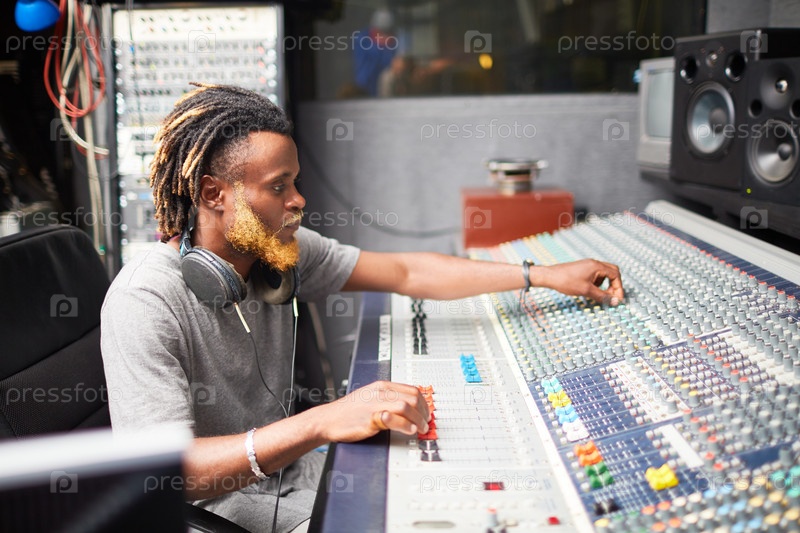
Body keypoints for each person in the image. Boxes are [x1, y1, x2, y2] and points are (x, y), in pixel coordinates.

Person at [100, 83, 624, 532]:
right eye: (278, 187)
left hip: (293, 475)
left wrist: (540, 275)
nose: (298, 200)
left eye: (295, 181)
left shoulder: (277, 253)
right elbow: (167, 475)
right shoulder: (145, 301)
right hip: (221, 512)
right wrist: (322, 421)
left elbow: (407, 272)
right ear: (214, 194)